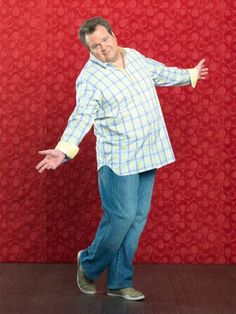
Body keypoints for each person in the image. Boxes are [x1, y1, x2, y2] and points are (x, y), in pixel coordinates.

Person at [36, 16, 208, 301]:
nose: (103, 48)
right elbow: (82, 117)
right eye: (95, 46)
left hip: (148, 151)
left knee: (137, 219)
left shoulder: (135, 57)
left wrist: (189, 74)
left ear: (113, 35)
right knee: (122, 216)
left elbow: (161, 73)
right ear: (89, 50)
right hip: (119, 159)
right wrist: (64, 150)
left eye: (105, 40)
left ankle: (119, 282)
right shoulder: (90, 78)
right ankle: (88, 264)